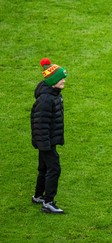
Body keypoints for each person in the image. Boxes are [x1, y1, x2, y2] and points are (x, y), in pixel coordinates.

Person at [31, 58, 67, 214]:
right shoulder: (46, 99)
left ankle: (38, 196)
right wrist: (45, 145)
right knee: (54, 168)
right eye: (61, 78)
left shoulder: (54, 93)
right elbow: (40, 124)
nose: (64, 80)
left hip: (48, 140)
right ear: (53, 81)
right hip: (46, 141)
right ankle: (48, 203)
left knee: (44, 168)